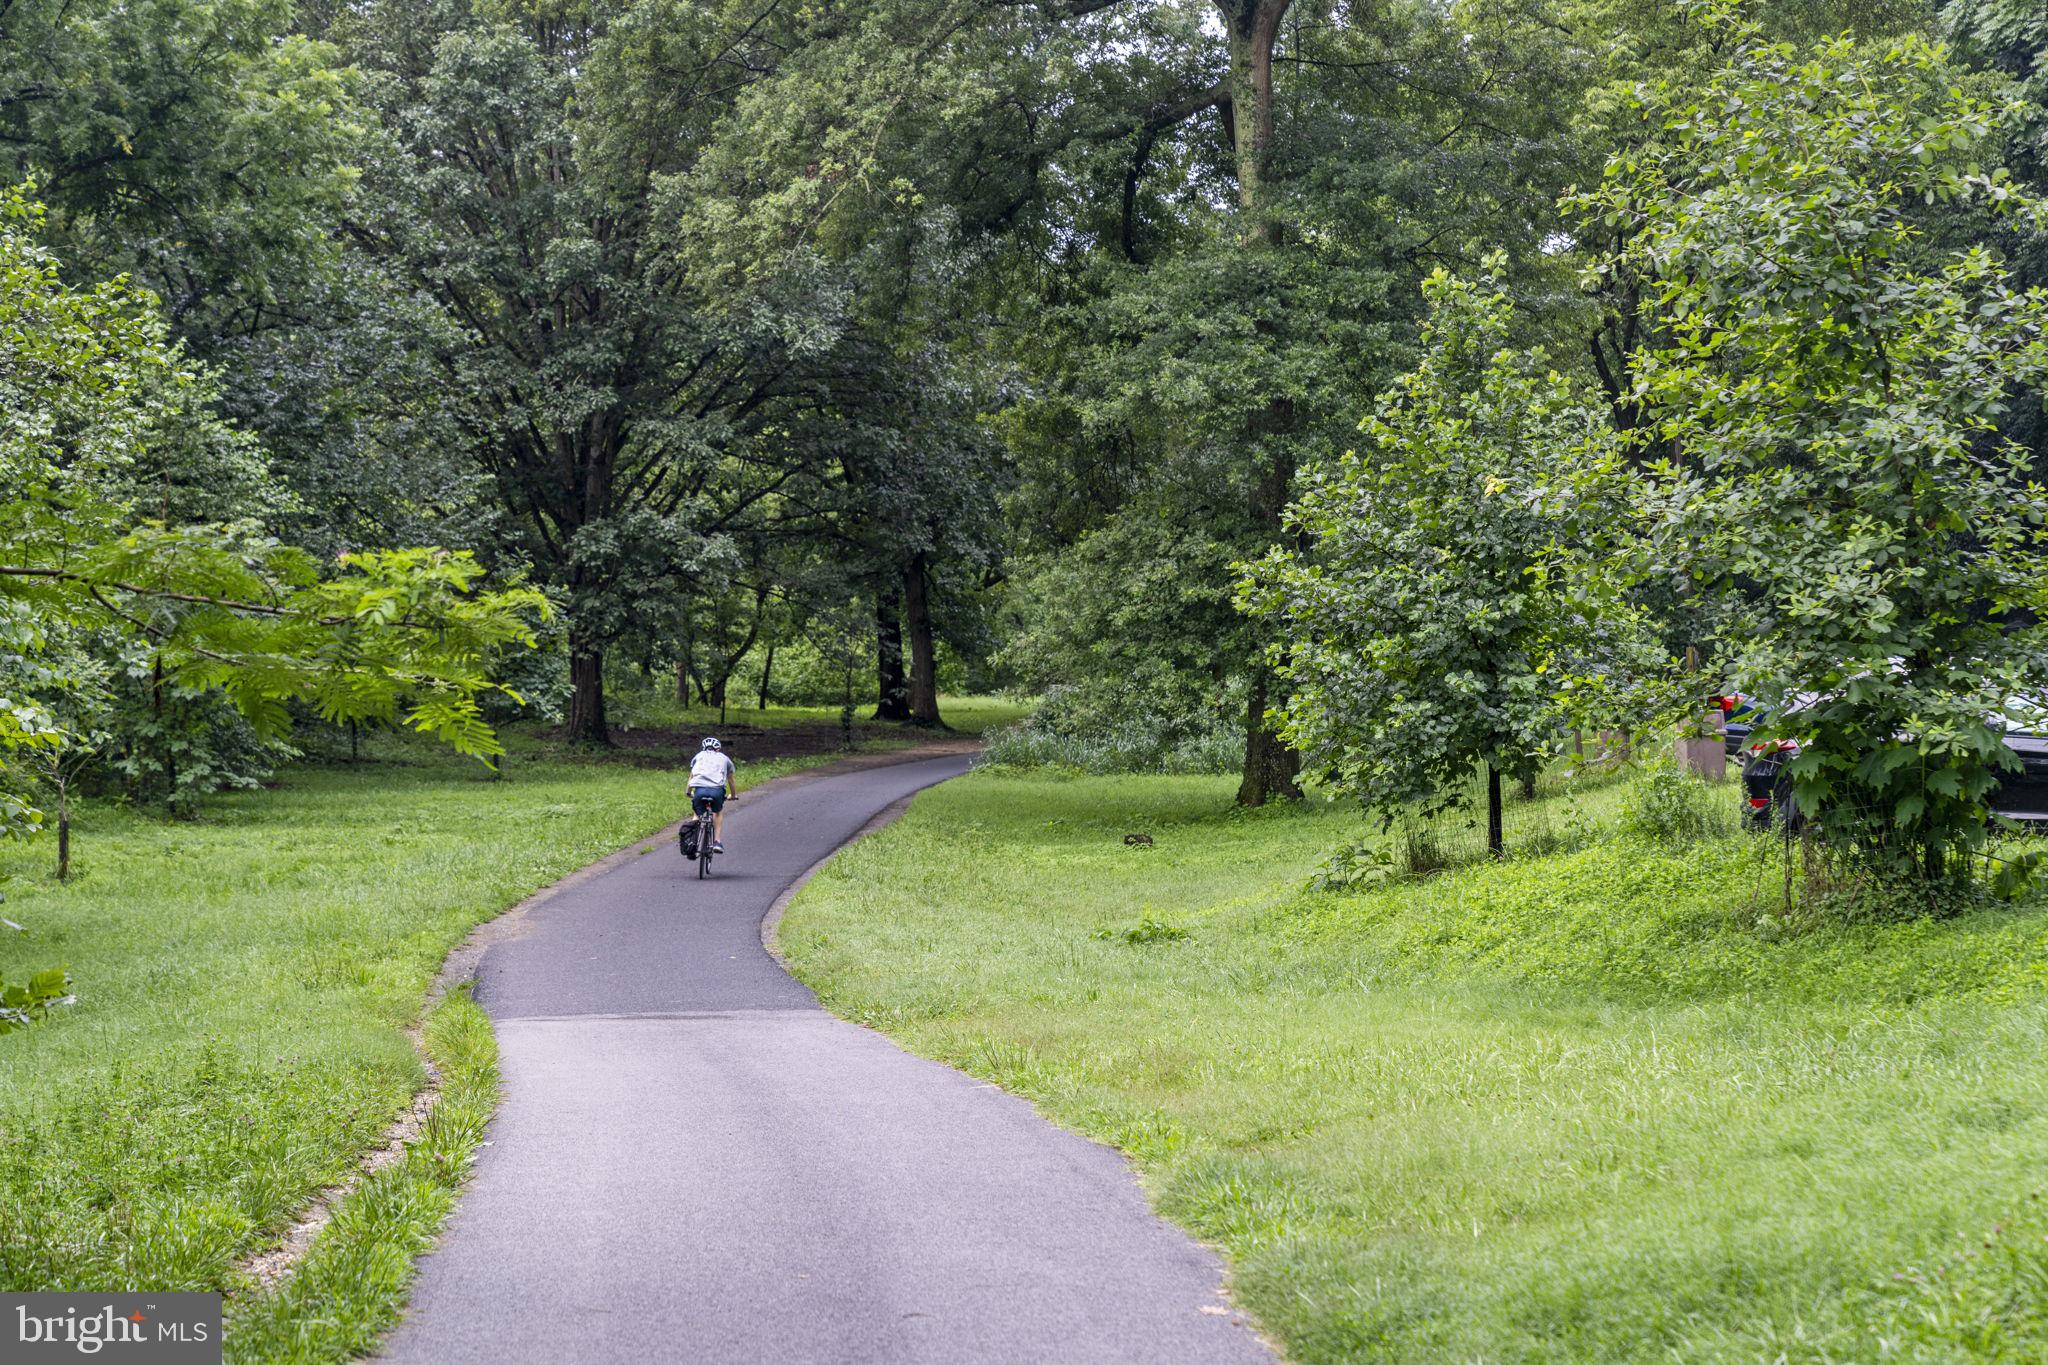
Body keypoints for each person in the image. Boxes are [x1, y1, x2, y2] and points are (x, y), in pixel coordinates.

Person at [688, 737, 737, 853]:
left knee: (696, 812)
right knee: (718, 812)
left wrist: (688, 792)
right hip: (717, 791)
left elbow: (692, 776)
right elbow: (731, 780)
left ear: (703, 747)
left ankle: (692, 839)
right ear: (718, 749)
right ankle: (717, 842)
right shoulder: (725, 759)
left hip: (699, 790)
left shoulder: (699, 756)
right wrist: (733, 795)